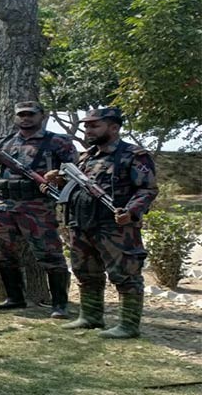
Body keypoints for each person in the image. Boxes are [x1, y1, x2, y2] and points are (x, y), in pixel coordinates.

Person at [47, 107, 158, 339]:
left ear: (114, 127)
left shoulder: (133, 155)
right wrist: (56, 181)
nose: (88, 129)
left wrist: (131, 211)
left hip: (115, 226)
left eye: (94, 125)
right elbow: (75, 186)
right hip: (81, 222)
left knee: (126, 274)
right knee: (86, 271)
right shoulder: (87, 157)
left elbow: (147, 189)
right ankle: (91, 316)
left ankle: (128, 325)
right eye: (86, 125)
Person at [0, 101, 77, 318]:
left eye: (30, 114)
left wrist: (56, 176)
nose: (25, 118)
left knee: (50, 255)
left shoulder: (58, 142)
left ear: (42, 116)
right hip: (4, 205)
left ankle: (59, 304)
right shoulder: (5, 142)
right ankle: (14, 298)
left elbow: (74, 172)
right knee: (5, 254)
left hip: (38, 207)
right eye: (21, 114)